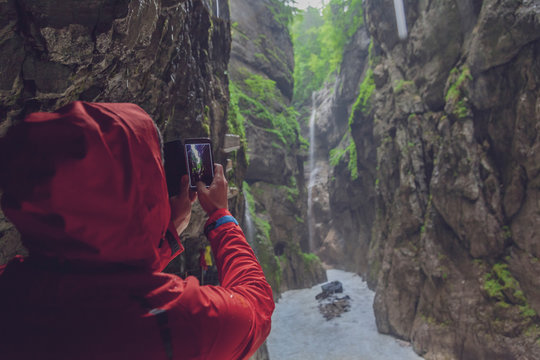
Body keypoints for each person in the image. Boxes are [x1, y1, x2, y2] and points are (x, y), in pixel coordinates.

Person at [0, 102, 274, 359]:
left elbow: (96, 268)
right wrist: (221, 216)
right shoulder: (180, 321)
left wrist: (164, 235)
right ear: (144, 190)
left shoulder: (11, 289)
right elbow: (257, 305)